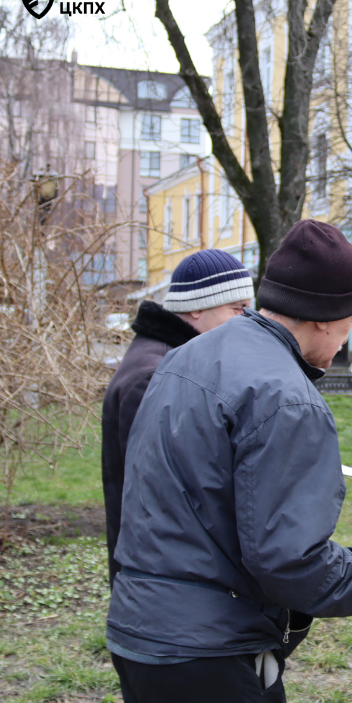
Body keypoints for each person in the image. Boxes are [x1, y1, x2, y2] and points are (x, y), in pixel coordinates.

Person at [107, 221, 352, 703]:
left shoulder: (183, 359)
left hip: (139, 634)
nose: (347, 339)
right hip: (210, 656)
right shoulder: (284, 396)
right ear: (324, 318)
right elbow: (290, 560)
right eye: (350, 323)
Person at [101, 248, 254, 585]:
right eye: (237, 309)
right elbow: (162, 494)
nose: (246, 319)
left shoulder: (175, 360)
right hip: (163, 578)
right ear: (196, 307)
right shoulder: (154, 375)